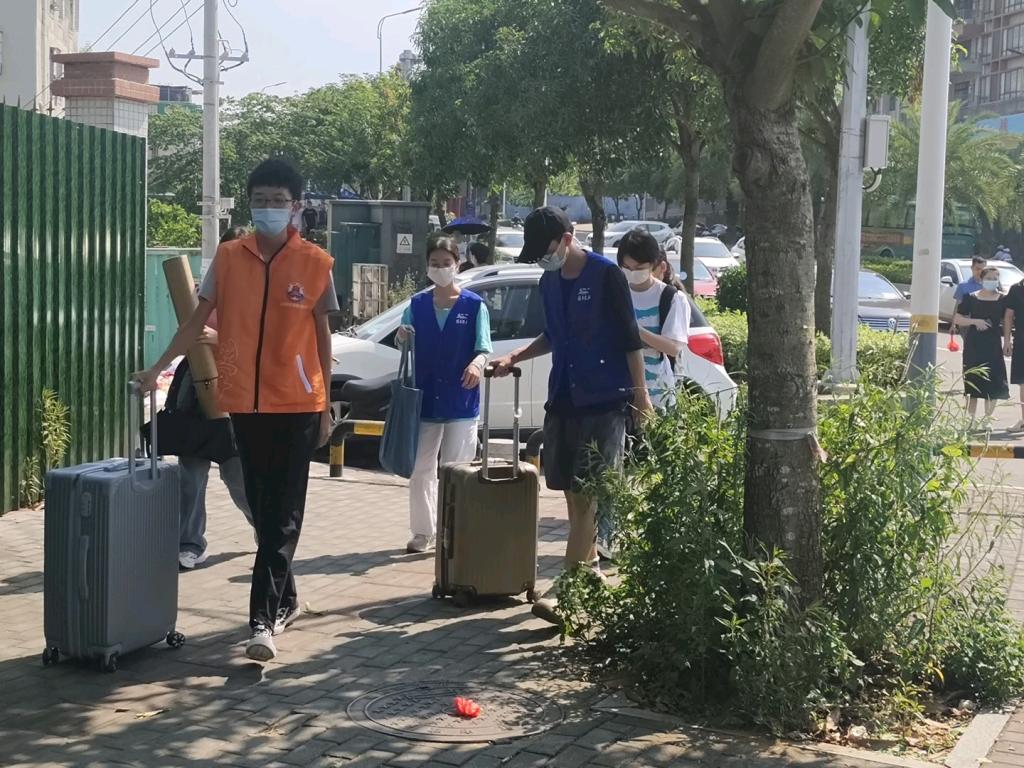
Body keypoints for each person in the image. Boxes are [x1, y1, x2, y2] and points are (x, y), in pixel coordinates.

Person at [135, 158, 338, 663]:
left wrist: (325, 406)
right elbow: (194, 322)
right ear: (250, 203)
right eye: (260, 199)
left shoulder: (316, 263)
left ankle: (261, 622)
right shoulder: (228, 258)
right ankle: (286, 600)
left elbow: (322, 336)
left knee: (282, 515)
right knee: (266, 508)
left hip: (298, 404)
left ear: (296, 206)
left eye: (278, 201)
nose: (268, 208)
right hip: (245, 404)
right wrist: (157, 367)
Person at [492, 206, 651, 627]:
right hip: (563, 397)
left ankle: (567, 589)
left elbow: (630, 338)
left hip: (604, 400)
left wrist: (641, 396)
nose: (542, 260)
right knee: (569, 492)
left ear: (566, 239)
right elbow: (553, 335)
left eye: (544, 250)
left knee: (588, 496)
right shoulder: (548, 281)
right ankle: (591, 570)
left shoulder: (606, 275)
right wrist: (515, 356)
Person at [396, 234, 492, 553]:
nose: (440, 268)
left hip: (461, 401)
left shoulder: (474, 306)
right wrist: (402, 335)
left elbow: (484, 348)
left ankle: (455, 531)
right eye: (434, 263)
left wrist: (477, 364)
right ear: (426, 266)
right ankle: (423, 532)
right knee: (421, 469)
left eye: (446, 263)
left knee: (456, 470)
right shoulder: (417, 305)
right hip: (424, 401)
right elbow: (402, 341)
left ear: (458, 265)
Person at [175, 225, 255, 570]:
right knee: (191, 475)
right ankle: (190, 543)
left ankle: (267, 531)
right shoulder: (201, 294)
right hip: (196, 393)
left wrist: (217, 339)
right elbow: (184, 335)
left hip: (235, 394)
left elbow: (260, 346)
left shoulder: (258, 295)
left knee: (237, 475)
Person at [616, 229, 690, 411]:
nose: (633, 273)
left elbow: (673, 347)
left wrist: (635, 330)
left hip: (658, 396)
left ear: (654, 264)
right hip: (618, 394)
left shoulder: (670, 297)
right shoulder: (615, 293)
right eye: (627, 268)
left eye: (639, 268)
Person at [954, 265, 1008, 422]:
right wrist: (975, 321)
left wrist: (1007, 341)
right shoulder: (971, 297)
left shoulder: (1003, 299)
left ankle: (986, 420)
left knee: (994, 381)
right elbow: (958, 319)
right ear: (982, 279)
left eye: (995, 278)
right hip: (974, 344)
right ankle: (970, 419)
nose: (992, 281)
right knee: (973, 380)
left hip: (993, 344)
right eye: (989, 278)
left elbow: (1007, 321)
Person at [1003, 277, 1024, 431]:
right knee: (1023, 382)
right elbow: (1009, 315)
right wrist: (1006, 341)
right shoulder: (1016, 289)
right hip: (1022, 340)